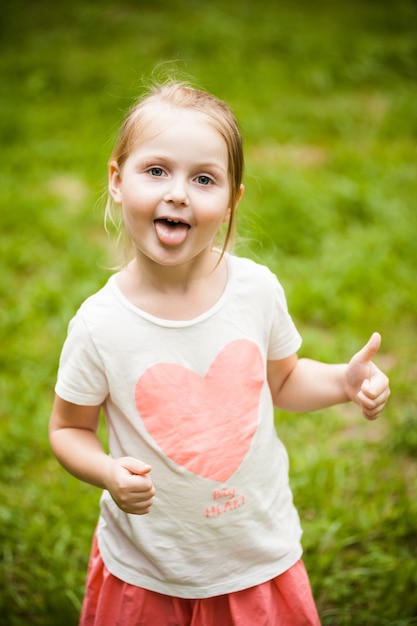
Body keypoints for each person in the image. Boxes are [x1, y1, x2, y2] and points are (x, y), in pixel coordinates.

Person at [49, 80, 390, 626]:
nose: (178, 193)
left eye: (203, 178)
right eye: (156, 170)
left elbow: (283, 382)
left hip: (256, 555)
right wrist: (109, 473)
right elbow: (68, 430)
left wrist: (343, 384)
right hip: (148, 569)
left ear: (233, 198)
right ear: (116, 180)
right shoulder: (99, 326)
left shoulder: (255, 292)